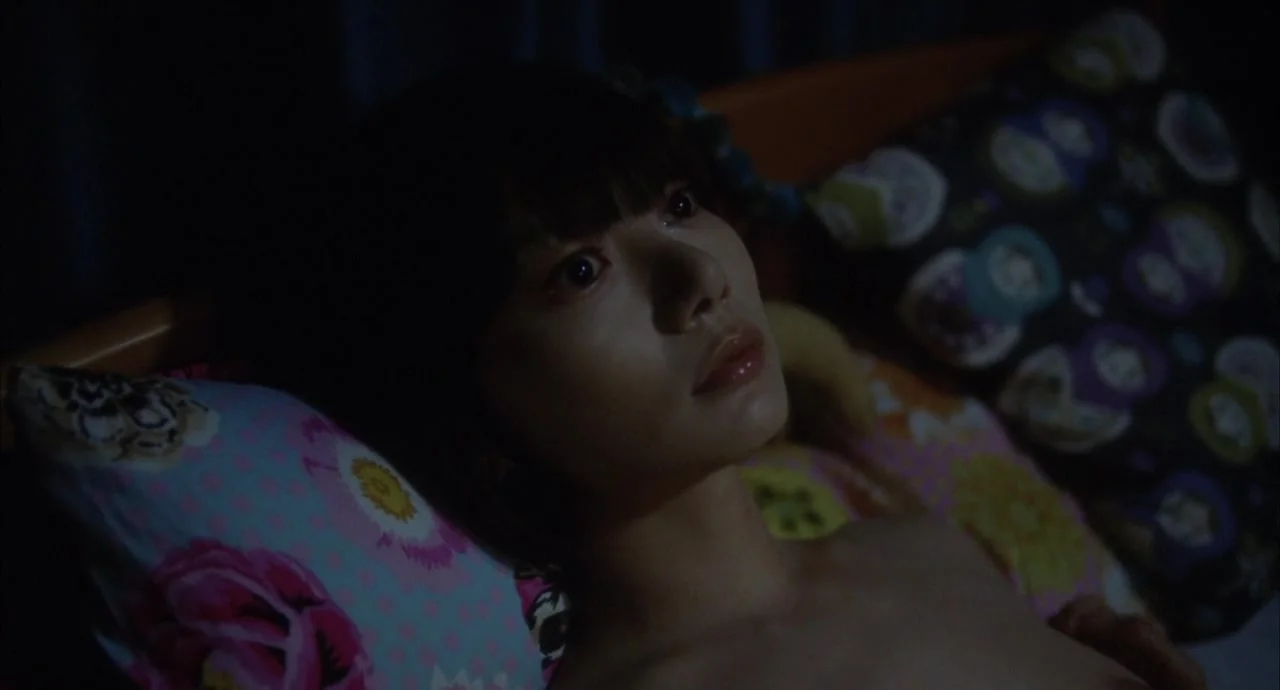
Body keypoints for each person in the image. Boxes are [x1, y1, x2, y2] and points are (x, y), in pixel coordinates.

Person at [253, 63, 1206, 690]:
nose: (700, 278)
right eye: (580, 271)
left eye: (679, 206)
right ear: (466, 397)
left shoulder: (920, 544)